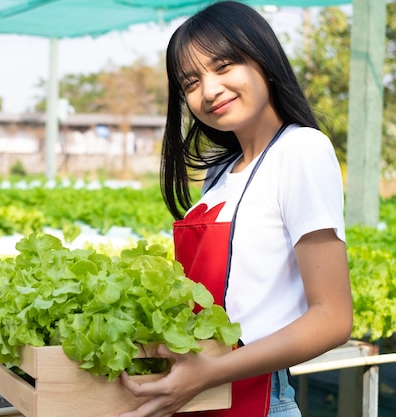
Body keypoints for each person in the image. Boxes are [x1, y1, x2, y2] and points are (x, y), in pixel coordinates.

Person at [117, 2, 353, 417]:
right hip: (201, 393)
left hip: (256, 396)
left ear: (264, 60)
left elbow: (333, 318)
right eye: (191, 82)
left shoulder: (301, 150)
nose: (208, 91)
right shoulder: (219, 175)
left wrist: (210, 372)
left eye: (224, 66)